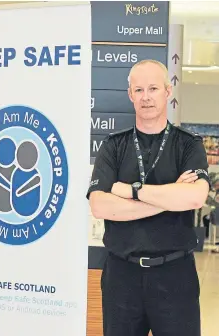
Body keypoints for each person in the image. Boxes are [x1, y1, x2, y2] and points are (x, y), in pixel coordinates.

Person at [87, 59, 210, 336]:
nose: (146, 97)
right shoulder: (113, 146)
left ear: (168, 91)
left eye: (153, 88)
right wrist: (168, 198)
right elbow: (99, 205)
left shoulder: (188, 145)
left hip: (175, 275)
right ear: (130, 95)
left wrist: (132, 191)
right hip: (122, 277)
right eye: (139, 90)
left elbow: (194, 197)